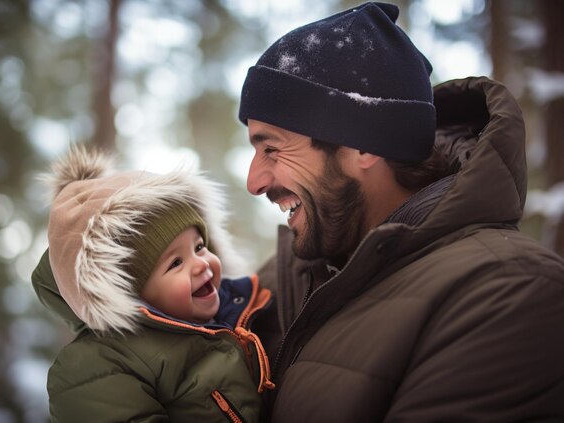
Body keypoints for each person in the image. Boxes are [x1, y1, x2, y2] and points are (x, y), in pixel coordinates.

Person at [239, 2, 564, 421]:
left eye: (272, 148)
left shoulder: (509, 294)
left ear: (363, 144)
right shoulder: (285, 277)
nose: (254, 182)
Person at [31, 146, 274, 422]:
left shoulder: (236, 311)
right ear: (130, 294)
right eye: (175, 263)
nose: (201, 263)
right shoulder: (99, 367)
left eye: (200, 246)